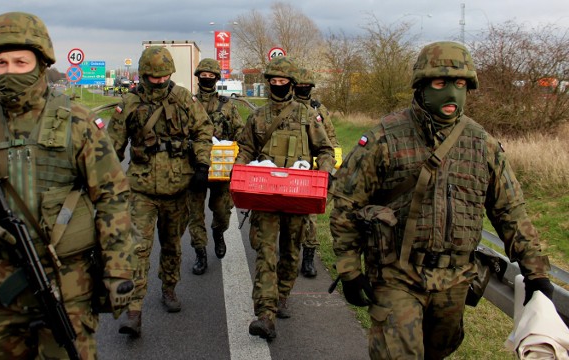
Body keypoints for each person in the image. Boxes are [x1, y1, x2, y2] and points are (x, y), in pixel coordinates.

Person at [329, 41, 553, 359]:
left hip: (455, 280)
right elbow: (345, 203)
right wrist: (350, 270)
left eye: (460, 84)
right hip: (397, 275)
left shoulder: (482, 146)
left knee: (440, 350)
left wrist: (537, 273)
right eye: (440, 83)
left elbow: (511, 212)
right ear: (421, 86)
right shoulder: (384, 138)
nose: (452, 93)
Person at [0, 11, 135, 358]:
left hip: (68, 279)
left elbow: (112, 197)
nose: (10, 71)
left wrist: (117, 269)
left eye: (20, 62)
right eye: (2, 63)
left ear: (41, 64)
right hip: (0, 280)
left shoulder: (76, 122)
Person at [107, 46, 213, 337]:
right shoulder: (129, 103)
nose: (159, 81)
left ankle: (169, 288)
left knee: (171, 245)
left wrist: (203, 165)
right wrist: (103, 181)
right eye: (154, 77)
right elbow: (111, 147)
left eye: (164, 76)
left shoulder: (183, 100)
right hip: (140, 188)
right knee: (138, 248)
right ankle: (134, 309)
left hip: (178, 187)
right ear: (143, 75)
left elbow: (204, 130)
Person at [234, 56, 335, 341]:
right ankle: (265, 314)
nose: (278, 86)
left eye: (283, 82)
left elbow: (325, 149)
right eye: (273, 81)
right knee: (265, 253)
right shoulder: (257, 117)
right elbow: (246, 149)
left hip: (297, 194)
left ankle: (283, 294)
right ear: (268, 83)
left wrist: (326, 173)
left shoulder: (307, 116)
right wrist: (238, 172)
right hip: (264, 193)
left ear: (291, 84)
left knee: (290, 252)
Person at [188, 58, 245, 275]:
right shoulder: (188, 104)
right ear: (198, 77)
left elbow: (240, 132)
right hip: (194, 168)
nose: (207, 79)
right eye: (203, 75)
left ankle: (218, 233)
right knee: (195, 215)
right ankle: (200, 253)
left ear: (217, 79)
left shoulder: (227, 105)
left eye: (211, 76)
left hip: (221, 168)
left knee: (222, 211)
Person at [293, 66, 340, 278]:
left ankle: (309, 258)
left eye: (306, 86)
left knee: (310, 217)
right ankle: (287, 254)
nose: (303, 89)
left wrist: (328, 169)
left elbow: (330, 140)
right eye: (299, 85)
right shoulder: (287, 106)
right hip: (290, 169)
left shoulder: (319, 110)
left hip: (312, 170)